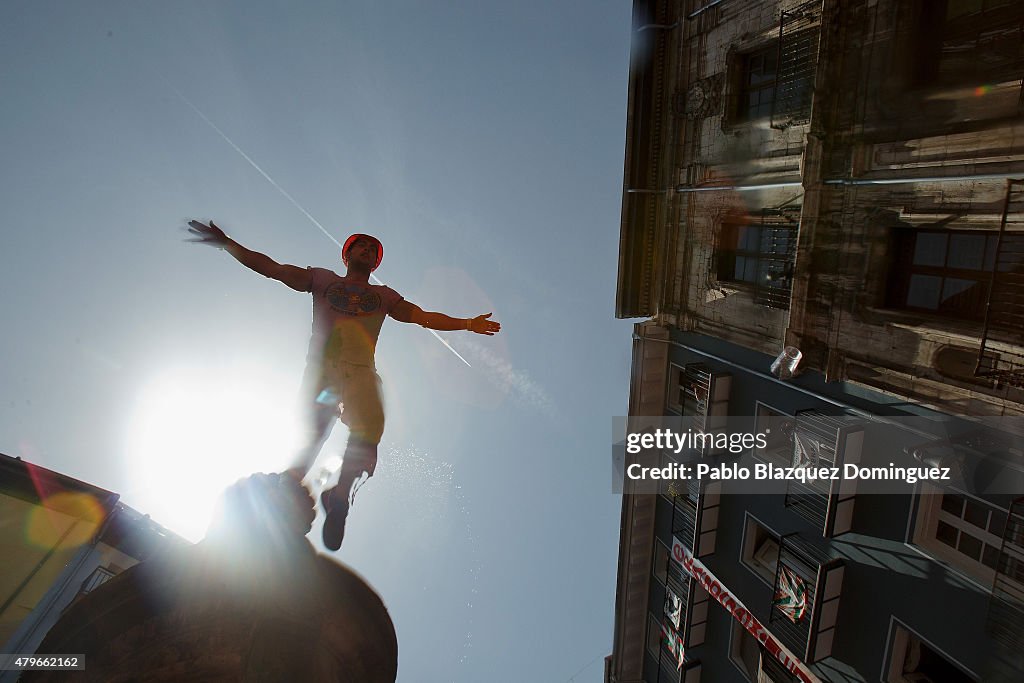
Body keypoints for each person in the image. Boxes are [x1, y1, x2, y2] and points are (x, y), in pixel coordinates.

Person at [186, 220, 501, 550]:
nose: (365, 250)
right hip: (323, 371)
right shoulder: (321, 280)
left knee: (369, 429)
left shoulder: (382, 296)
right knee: (314, 433)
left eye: (371, 249)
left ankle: (339, 497)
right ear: (346, 254)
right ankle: (287, 485)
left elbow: (422, 316)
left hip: (360, 371)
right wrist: (228, 244)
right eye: (360, 245)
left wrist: (467, 323)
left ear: (375, 263)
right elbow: (273, 269)